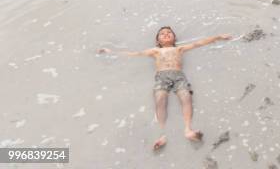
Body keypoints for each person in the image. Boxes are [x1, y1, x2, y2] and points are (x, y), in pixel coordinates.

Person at [98, 26, 232, 150]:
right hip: (161, 77)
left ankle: (188, 129)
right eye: (162, 34)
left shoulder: (179, 49)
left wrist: (218, 37)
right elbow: (133, 54)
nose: (166, 34)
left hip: (179, 76)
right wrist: (111, 52)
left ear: (174, 38)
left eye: (169, 33)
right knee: (160, 100)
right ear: (158, 40)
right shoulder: (155, 51)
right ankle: (162, 134)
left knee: (186, 97)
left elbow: (200, 43)